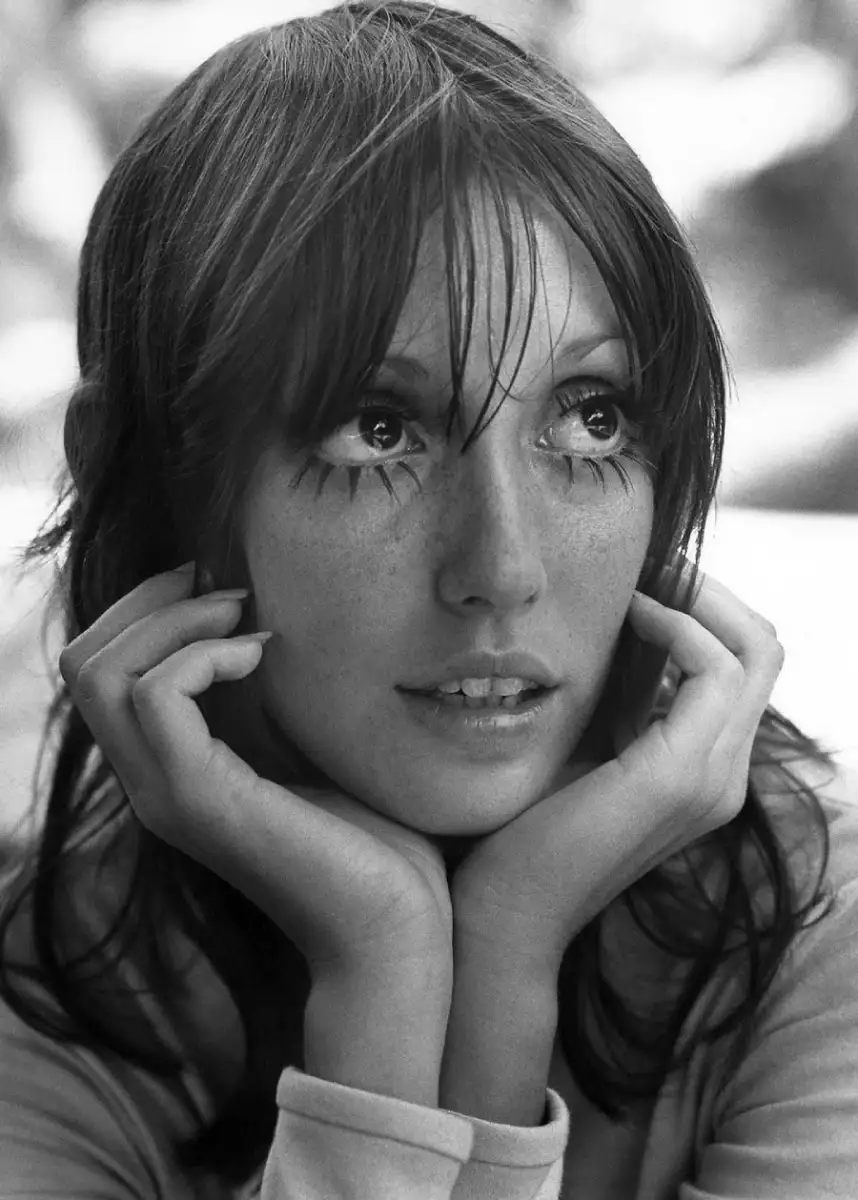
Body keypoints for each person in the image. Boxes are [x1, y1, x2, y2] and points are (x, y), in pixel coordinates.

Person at [1, 1, 856, 1196]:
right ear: (147, 474)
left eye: (590, 416)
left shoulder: (827, 922)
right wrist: (384, 986)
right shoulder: (40, 1003)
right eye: (379, 427)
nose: (504, 568)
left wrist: (503, 954)